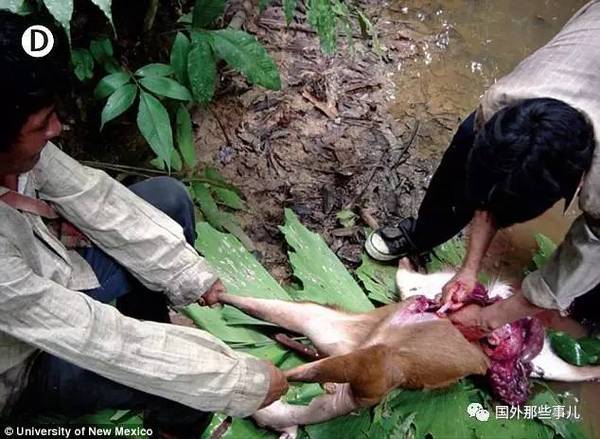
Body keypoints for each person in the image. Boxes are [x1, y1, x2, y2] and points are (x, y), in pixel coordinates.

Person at [0, 10, 287, 437]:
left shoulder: (13, 150)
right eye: (42, 125)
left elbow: (92, 198)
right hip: (22, 359)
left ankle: (154, 326)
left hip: (48, 280)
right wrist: (237, 382)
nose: (57, 130)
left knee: (168, 200)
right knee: (177, 384)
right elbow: (96, 336)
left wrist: (187, 272)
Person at [365, 0, 600, 338]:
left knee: (591, 273)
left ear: (574, 182)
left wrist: (491, 319)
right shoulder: (505, 101)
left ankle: (587, 307)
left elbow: (593, 243)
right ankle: (425, 232)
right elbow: (487, 191)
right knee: (466, 156)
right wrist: (468, 270)